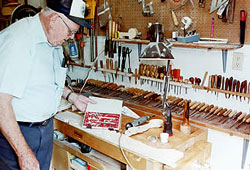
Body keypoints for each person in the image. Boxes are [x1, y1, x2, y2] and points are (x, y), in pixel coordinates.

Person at [0, 0, 96, 169]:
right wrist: (23, 153)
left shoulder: (53, 39)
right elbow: (1, 102)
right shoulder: (18, 40)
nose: (71, 37)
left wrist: (71, 96)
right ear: (54, 19)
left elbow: (47, 81)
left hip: (44, 131)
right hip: (16, 136)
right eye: (71, 31)